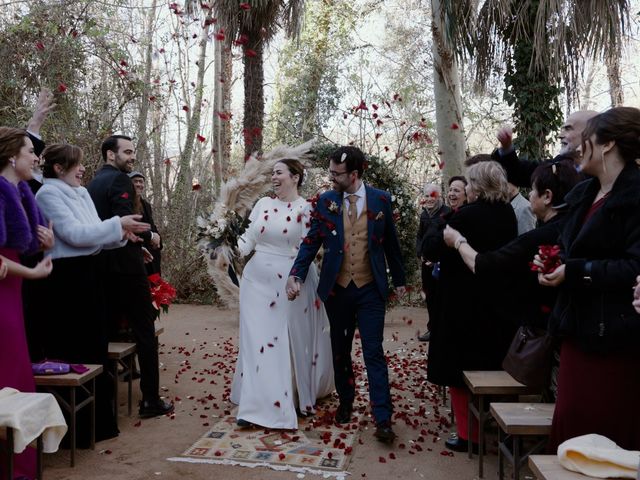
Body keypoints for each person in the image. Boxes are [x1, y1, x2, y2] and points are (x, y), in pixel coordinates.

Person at [535, 107, 640, 452]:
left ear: (607, 143)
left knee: (605, 439)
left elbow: (632, 266)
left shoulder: (635, 196)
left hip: (613, 339)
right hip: (575, 331)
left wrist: (577, 271)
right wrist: (553, 265)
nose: (579, 146)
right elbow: (572, 252)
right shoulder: (582, 195)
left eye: (587, 137)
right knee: (570, 429)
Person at [286, 146, 406, 443]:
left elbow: (391, 243)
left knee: (373, 352)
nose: (331, 178)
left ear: (353, 174)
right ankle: (347, 400)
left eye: (336, 174)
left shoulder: (380, 200)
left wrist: (400, 279)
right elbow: (311, 241)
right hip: (337, 291)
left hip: (370, 290)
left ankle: (383, 417)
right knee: (340, 351)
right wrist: (296, 273)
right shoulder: (326, 202)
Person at [35, 143, 151, 443]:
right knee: (75, 348)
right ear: (59, 168)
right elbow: (74, 235)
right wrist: (116, 225)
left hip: (90, 273)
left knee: (95, 347)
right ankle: (75, 431)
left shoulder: (82, 191)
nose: (83, 169)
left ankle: (99, 425)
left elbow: (94, 235)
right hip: (65, 282)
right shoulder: (47, 194)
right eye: (77, 164)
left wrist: (120, 235)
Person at [444, 159, 581, 399]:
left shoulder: (541, 236)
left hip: (551, 335)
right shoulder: (577, 227)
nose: (530, 197)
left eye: (533, 190)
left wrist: (457, 240)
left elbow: (483, 264)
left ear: (547, 196)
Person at [230, 159, 334, 430]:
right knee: (256, 341)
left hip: (289, 284)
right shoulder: (263, 204)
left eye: (278, 173)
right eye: (272, 174)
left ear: (295, 177)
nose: (273, 178)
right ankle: (254, 404)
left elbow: (308, 248)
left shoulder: (307, 208)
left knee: (283, 342)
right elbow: (248, 239)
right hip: (255, 283)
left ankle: (290, 395)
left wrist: (296, 277)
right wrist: (227, 247)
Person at [422, 161, 517, 453]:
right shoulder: (508, 214)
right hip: (496, 303)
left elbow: (430, 247)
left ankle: (468, 435)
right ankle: (500, 428)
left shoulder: (465, 216)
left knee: (458, 372)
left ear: (477, 186)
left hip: (461, 304)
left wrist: (441, 221)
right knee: (491, 366)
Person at [87, 135, 174, 418]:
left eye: (133, 152)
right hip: (126, 268)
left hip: (101, 266)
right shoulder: (119, 180)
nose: (132, 157)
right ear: (111, 155)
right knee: (144, 331)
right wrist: (151, 236)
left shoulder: (92, 184)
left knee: (107, 331)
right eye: (127, 152)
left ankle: (105, 405)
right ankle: (150, 400)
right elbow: (127, 222)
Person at [0, 126, 54, 480]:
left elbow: (21, 246)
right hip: (5, 292)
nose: (36, 157)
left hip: (12, 293)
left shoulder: (18, 191)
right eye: (29, 151)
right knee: (8, 375)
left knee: (16, 376)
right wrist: (33, 273)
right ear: (11, 157)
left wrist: (46, 245)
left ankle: (17, 465)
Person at [491, 110, 599, 188]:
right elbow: (520, 174)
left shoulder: (606, 174)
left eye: (568, 129)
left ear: (590, 133)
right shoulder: (558, 165)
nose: (560, 136)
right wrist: (506, 147)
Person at [416, 183, 450, 342]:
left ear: (440, 197)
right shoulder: (424, 215)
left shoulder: (447, 214)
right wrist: (420, 254)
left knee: (441, 298)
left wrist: (437, 260)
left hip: (441, 266)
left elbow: (448, 241)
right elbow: (420, 237)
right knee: (429, 297)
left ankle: (443, 330)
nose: (430, 199)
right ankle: (432, 329)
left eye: (433, 196)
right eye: (427, 196)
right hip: (425, 264)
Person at [128, 171, 162, 276]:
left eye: (141, 182)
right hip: (136, 254)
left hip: (152, 254)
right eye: (135, 181)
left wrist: (158, 240)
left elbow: (152, 225)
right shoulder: (125, 203)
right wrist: (150, 236)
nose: (139, 184)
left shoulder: (146, 205)